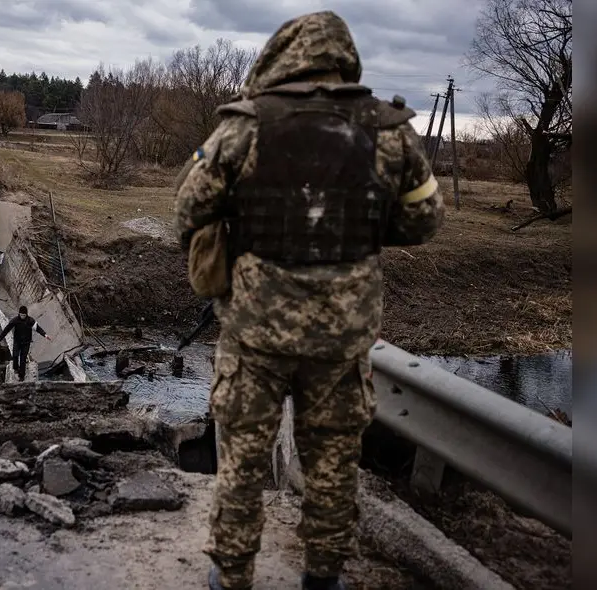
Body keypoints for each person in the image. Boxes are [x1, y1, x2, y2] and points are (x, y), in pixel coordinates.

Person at [174, 11, 445, 590]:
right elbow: (424, 219)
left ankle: (232, 576)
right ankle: (323, 577)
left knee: (243, 461)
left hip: (255, 333)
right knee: (332, 464)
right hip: (342, 337)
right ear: (344, 59)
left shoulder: (244, 127)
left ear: (280, 57)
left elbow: (188, 208)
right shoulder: (389, 129)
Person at [0, 305, 52, 381]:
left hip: (26, 343)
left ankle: (21, 376)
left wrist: (45, 335)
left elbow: (38, 328)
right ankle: (16, 370)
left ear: (26, 314)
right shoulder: (15, 320)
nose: (22, 316)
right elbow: (6, 330)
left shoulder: (30, 320)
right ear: (19, 314)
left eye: (24, 315)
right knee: (15, 356)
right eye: (21, 315)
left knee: (23, 359)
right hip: (17, 341)